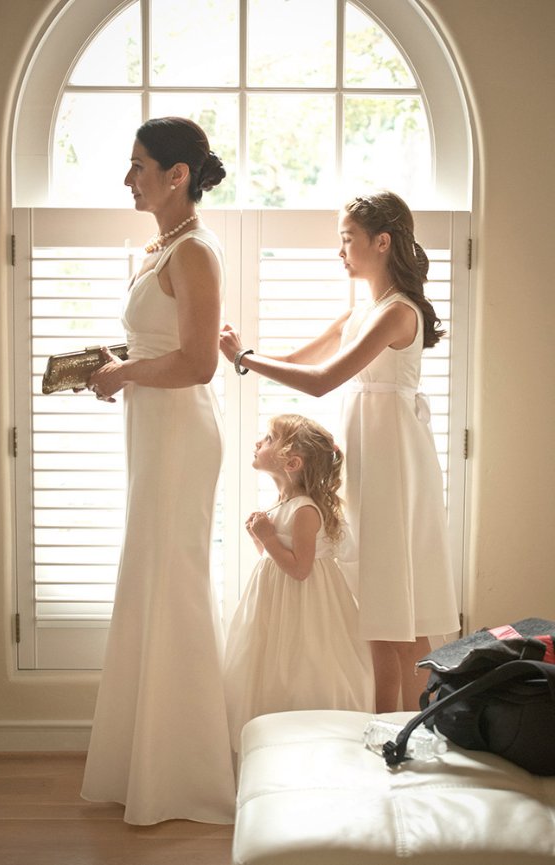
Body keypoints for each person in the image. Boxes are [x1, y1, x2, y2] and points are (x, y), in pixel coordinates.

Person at [220, 191, 460, 713]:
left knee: (397, 603)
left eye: (347, 239)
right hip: (367, 455)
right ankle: (391, 724)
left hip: (392, 461)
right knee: (379, 599)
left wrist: (245, 358)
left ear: (381, 241)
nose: (340, 251)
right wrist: (245, 356)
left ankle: (407, 725)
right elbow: (301, 359)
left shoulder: (397, 312)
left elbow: (324, 380)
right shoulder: (362, 310)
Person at [80, 117, 236, 825]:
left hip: (179, 433)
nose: (128, 177)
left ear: (178, 175)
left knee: (172, 584)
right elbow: (158, 343)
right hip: (151, 427)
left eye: (139, 164)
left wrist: (126, 373)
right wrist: (111, 368)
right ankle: (143, 762)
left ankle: (187, 775)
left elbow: (201, 362)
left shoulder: (196, 252)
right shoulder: (158, 248)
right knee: (148, 580)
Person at [224, 414, 374, 752]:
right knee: (270, 666)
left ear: (291, 462)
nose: (258, 442)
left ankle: (311, 742)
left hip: (304, 602)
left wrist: (268, 537)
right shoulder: (282, 504)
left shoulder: (304, 509)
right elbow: (275, 557)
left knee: (302, 666)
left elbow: (300, 569)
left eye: (268, 438)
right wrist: (260, 538)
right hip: (278, 601)